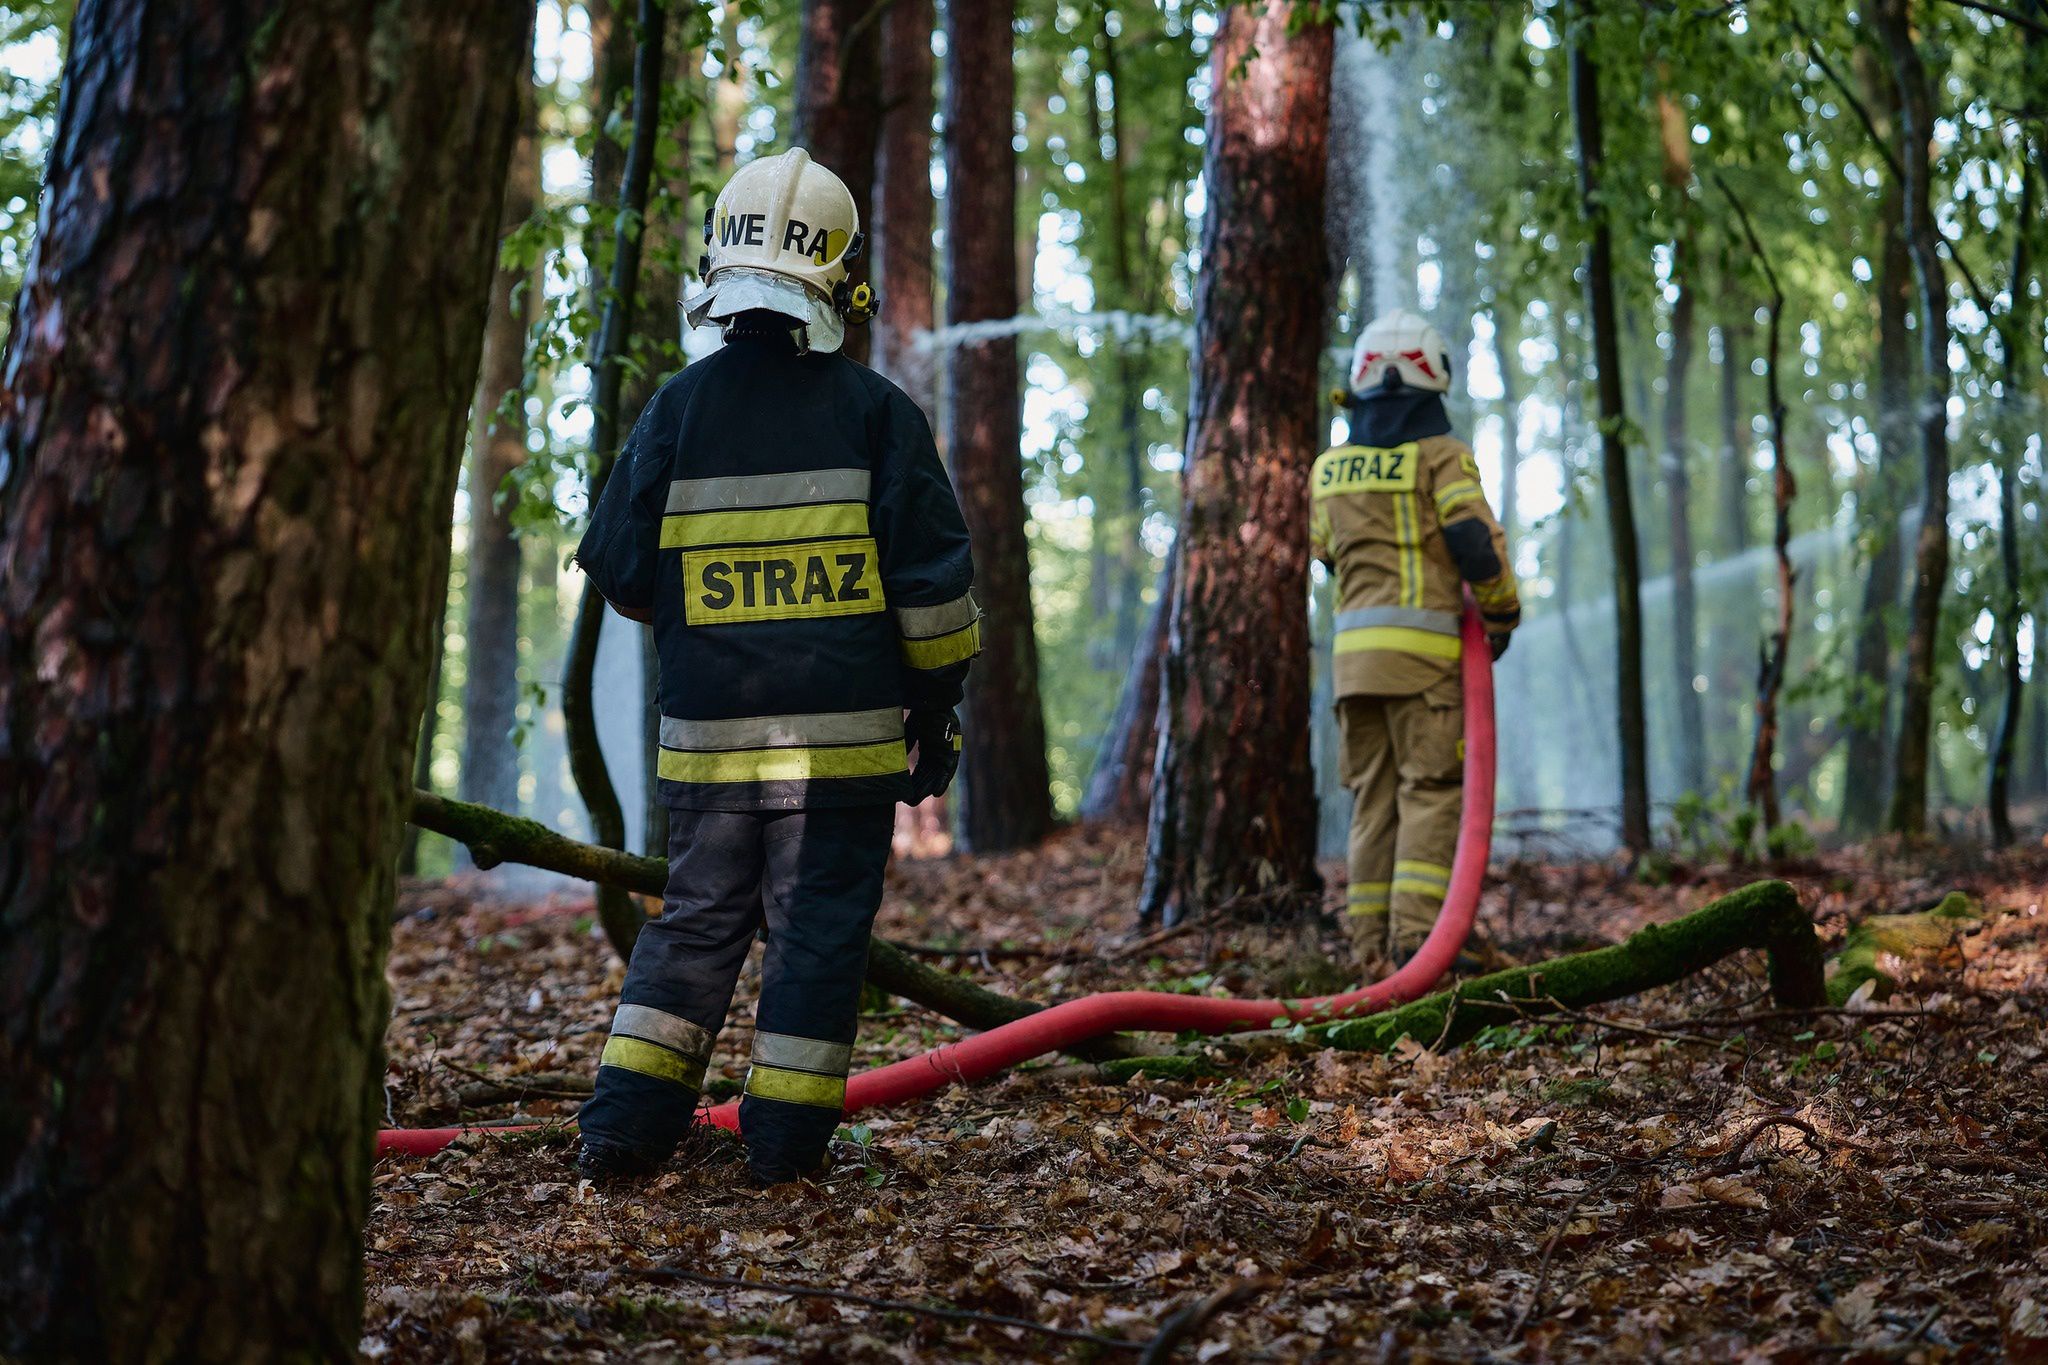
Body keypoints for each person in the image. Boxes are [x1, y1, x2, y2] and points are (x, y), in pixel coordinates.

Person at [570, 148, 979, 1185]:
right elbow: (933, 605)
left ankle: (621, 1132)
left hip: (706, 748)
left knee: (695, 928)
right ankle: (784, 1151)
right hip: (838, 761)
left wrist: (714, 615)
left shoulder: (676, 408)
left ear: (723, 267)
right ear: (839, 280)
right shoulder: (878, 415)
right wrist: (934, 717)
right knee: (815, 939)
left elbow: (621, 574)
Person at [1310, 309, 1519, 968]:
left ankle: (1366, 945)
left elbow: (1326, 554)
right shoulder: (1442, 455)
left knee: (1372, 799)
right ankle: (1417, 944)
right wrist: (1501, 615)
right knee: (1428, 792)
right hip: (1424, 664)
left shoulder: (1329, 469)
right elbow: (1471, 540)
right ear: (1435, 379)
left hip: (1352, 669)